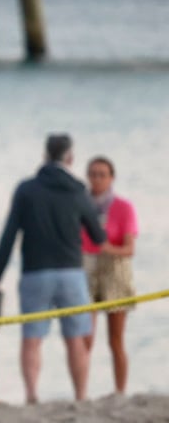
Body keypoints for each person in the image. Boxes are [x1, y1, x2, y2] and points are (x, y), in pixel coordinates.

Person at [0, 134, 106, 404]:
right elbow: (98, 236)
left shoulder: (27, 189)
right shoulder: (78, 189)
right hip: (71, 273)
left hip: (35, 272)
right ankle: (80, 396)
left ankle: (31, 395)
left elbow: (9, 235)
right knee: (76, 338)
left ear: (45, 156)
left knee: (32, 338)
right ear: (70, 158)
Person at [81, 156, 137, 394]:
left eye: (102, 174)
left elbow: (129, 248)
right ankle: (81, 391)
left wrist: (107, 248)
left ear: (111, 178)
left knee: (116, 340)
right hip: (86, 268)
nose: (97, 179)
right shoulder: (80, 205)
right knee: (85, 339)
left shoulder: (123, 207)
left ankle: (120, 391)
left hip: (115, 269)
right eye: (93, 174)